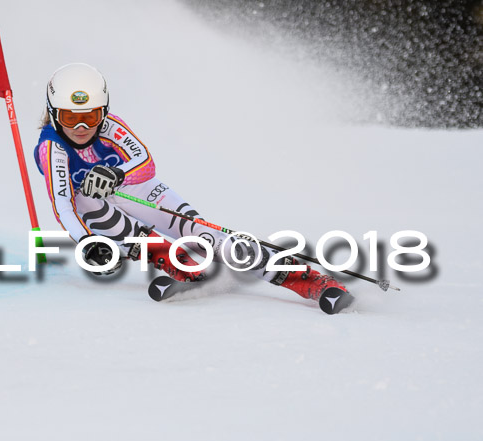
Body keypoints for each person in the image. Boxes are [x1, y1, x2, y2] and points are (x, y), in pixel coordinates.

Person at [33, 63, 353, 313]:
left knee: (210, 239)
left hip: (140, 190)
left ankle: (314, 282)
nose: (80, 126)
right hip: (103, 210)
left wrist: (117, 173)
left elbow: (145, 163)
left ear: (102, 110)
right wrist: (87, 243)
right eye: (69, 116)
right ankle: (180, 262)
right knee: (85, 199)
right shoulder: (52, 148)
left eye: (89, 115)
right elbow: (63, 203)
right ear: (53, 113)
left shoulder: (110, 126)